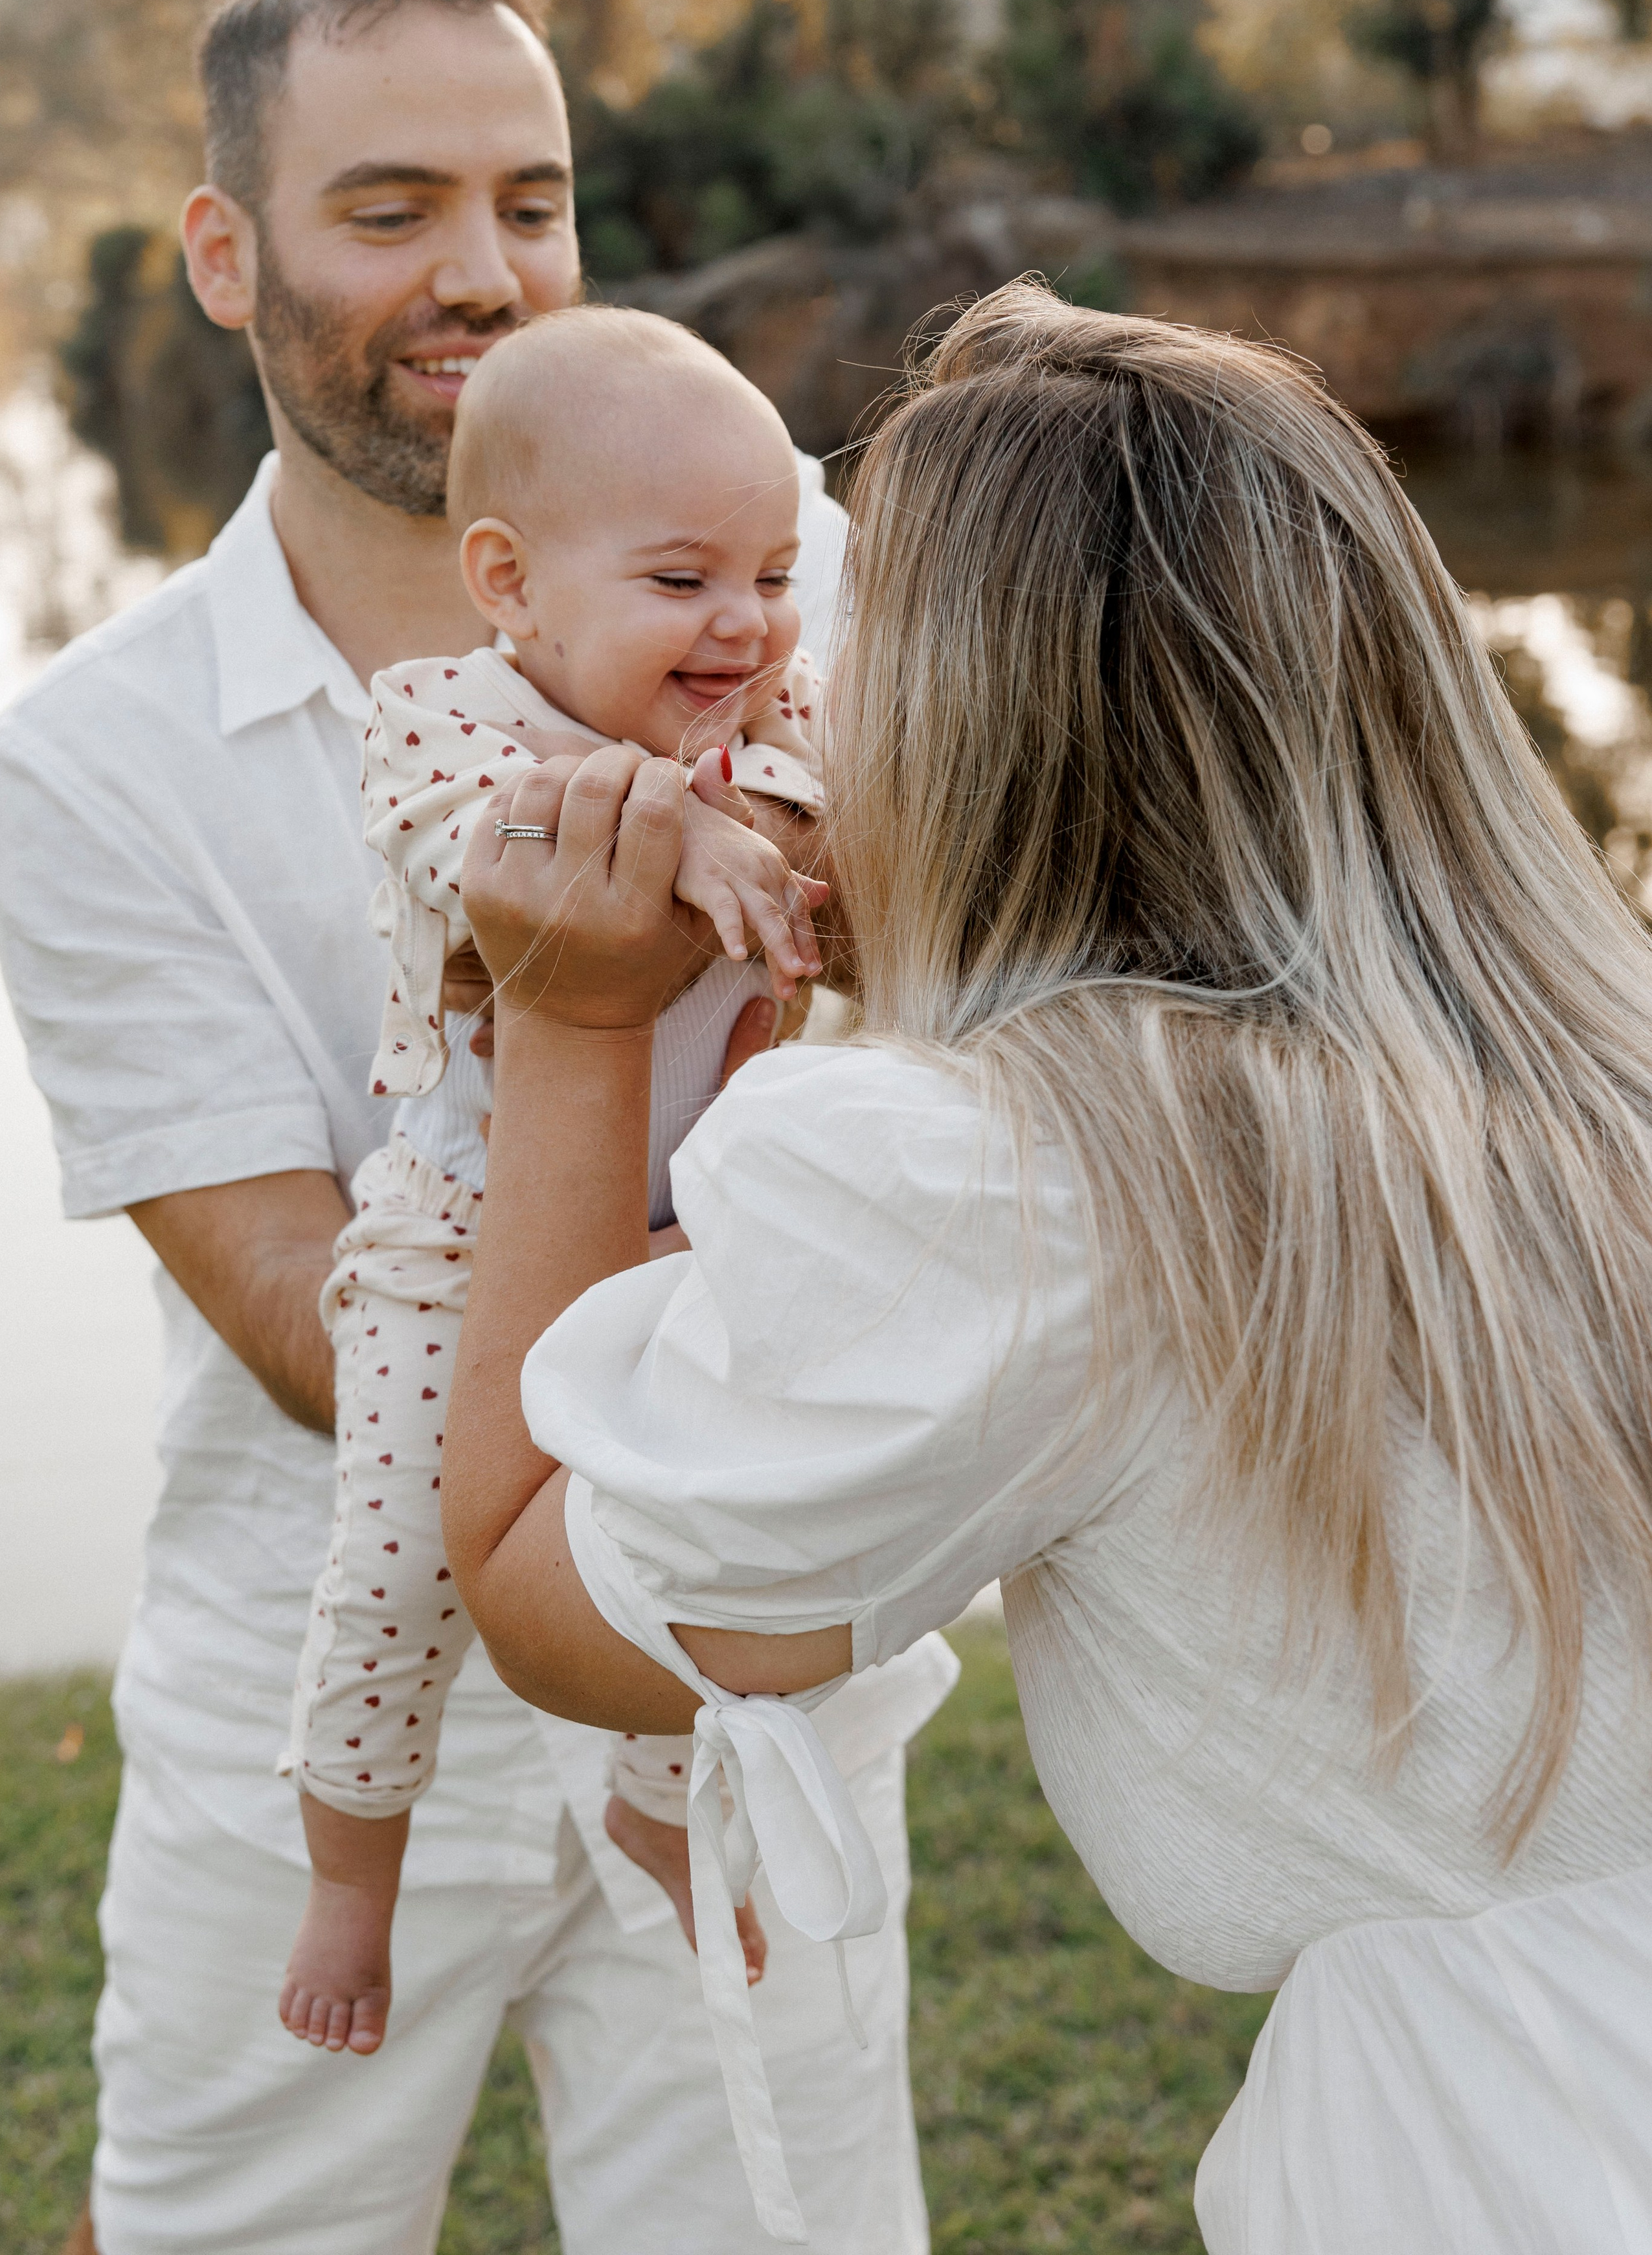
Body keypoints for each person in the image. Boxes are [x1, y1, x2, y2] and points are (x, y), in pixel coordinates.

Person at [442, 282, 1652, 2252]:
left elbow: (534, 1586)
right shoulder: (1597, 1059)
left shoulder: (1009, 1184)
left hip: (1510, 2161)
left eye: (844, 639)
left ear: (972, 726)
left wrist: (575, 1030)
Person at [0, 0, 953, 2255]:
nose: (486, 275)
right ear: (223, 253)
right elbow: (319, 1332)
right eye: (393, 204)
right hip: (323, 1692)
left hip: (737, 1656)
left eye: (532, 201)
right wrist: (583, 1023)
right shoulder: (81, 759)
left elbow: (973, 1044)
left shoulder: (800, 579)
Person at [281, 306, 832, 2054]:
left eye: (770, 571)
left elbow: (846, 863)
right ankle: (349, 1879)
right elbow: (501, 851)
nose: (743, 622)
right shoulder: (438, 721)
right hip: (458, 1251)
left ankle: (661, 1807)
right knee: (395, 1581)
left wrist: (799, 834)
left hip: (687, 1235)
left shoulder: (778, 723)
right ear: (509, 584)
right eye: (683, 580)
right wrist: (685, 826)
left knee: (693, 1543)